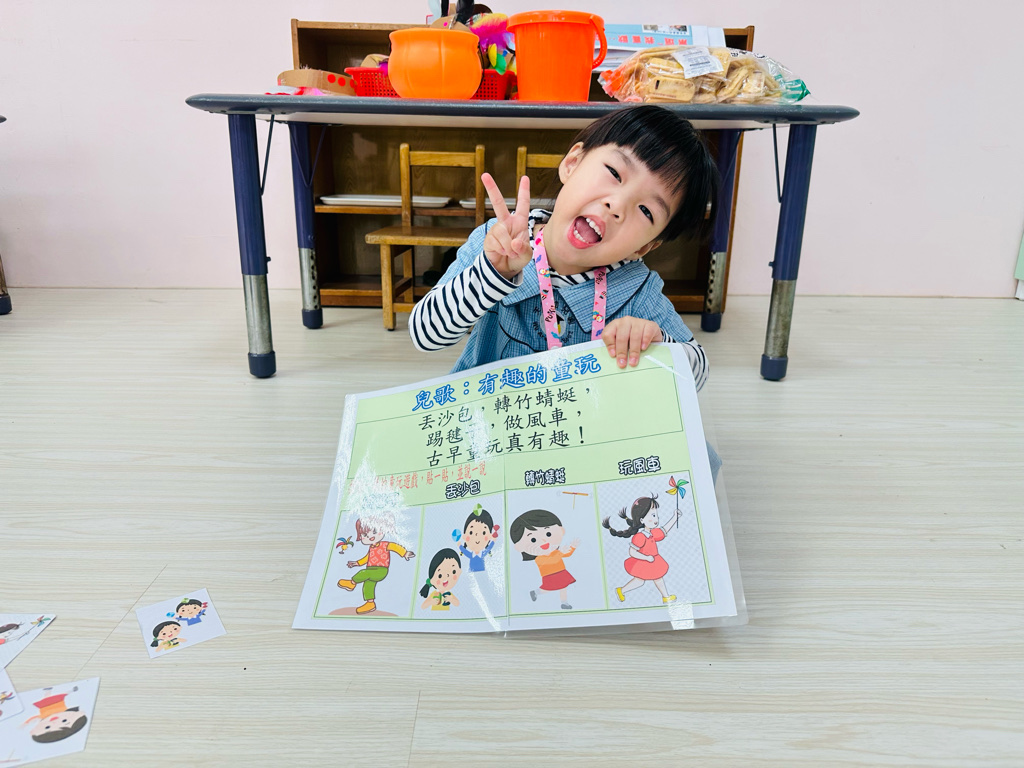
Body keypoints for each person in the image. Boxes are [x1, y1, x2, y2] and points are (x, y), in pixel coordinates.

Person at [409, 104, 716, 389]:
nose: (617, 205)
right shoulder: (496, 242)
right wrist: (492, 274)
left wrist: (658, 342)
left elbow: (698, 374)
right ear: (572, 163)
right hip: (488, 417)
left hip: (582, 424)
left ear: (645, 246)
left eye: (646, 211)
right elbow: (425, 335)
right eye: (614, 173)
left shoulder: (637, 290)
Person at [603, 493, 680, 604]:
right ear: (642, 520)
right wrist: (646, 558)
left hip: (653, 561)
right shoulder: (640, 537)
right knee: (641, 581)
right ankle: (622, 590)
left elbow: (664, 530)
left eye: (656, 515)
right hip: (644, 562)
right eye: (652, 515)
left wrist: (675, 517)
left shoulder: (653, 533)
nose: (656, 519)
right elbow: (632, 552)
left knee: (656, 578)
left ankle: (665, 597)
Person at [337, 515, 416, 615]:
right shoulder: (371, 547)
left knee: (363, 573)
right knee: (368, 584)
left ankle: (352, 583)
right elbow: (367, 558)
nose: (371, 536)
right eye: (365, 535)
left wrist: (405, 553)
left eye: (374, 531)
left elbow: (395, 547)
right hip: (371, 569)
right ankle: (370, 603)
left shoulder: (385, 544)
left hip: (381, 570)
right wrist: (357, 563)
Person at [509, 509, 579, 610]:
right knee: (547, 589)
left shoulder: (556, 552)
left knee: (563, 587)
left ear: (561, 530)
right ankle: (536, 592)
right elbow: (552, 560)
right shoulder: (539, 558)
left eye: (548, 534)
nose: (543, 540)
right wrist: (560, 552)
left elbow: (567, 554)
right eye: (533, 539)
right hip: (549, 576)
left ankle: (564, 603)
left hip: (562, 572)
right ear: (519, 547)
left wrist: (572, 547)